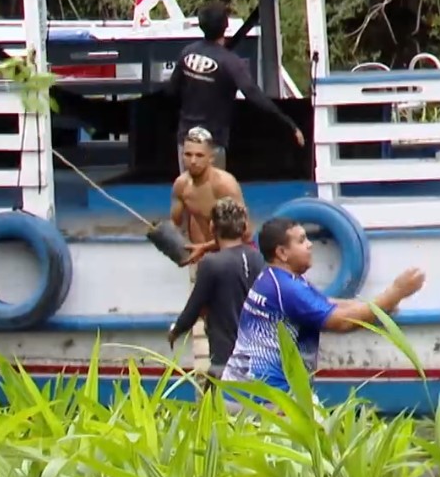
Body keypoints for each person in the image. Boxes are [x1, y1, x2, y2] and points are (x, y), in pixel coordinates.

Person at [221, 217, 426, 392]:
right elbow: (341, 322)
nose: (310, 245)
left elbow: (327, 303)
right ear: (282, 253)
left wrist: (380, 306)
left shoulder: (276, 277)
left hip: (243, 387)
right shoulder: (288, 289)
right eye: (301, 241)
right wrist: (396, 292)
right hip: (264, 396)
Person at [164, 0, 305, 170]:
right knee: (214, 193)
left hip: (186, 142)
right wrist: (289, 123)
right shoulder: (231, 62)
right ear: (226, 25)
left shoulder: (187, 53)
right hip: (212, 143)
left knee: (188, 192)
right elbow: (253, 95)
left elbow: (171, 92)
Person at [169, 197, 266, 383]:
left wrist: (175, 330)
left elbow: (194, 308)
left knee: (216, 408)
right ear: (244, 227)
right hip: (259, 359)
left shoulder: (211, 264)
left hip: (226, 360)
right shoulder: (258, 258)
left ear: (212, 227)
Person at [171, 126, 248, 265]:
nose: (193, 161)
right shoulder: (181, 185)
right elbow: (175, 225)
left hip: (235, 255)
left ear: (211, 157)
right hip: (203, 255)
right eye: (188, 154)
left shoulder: (224, 184)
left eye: (199, 155)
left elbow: (244, 231)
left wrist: (204, 248)